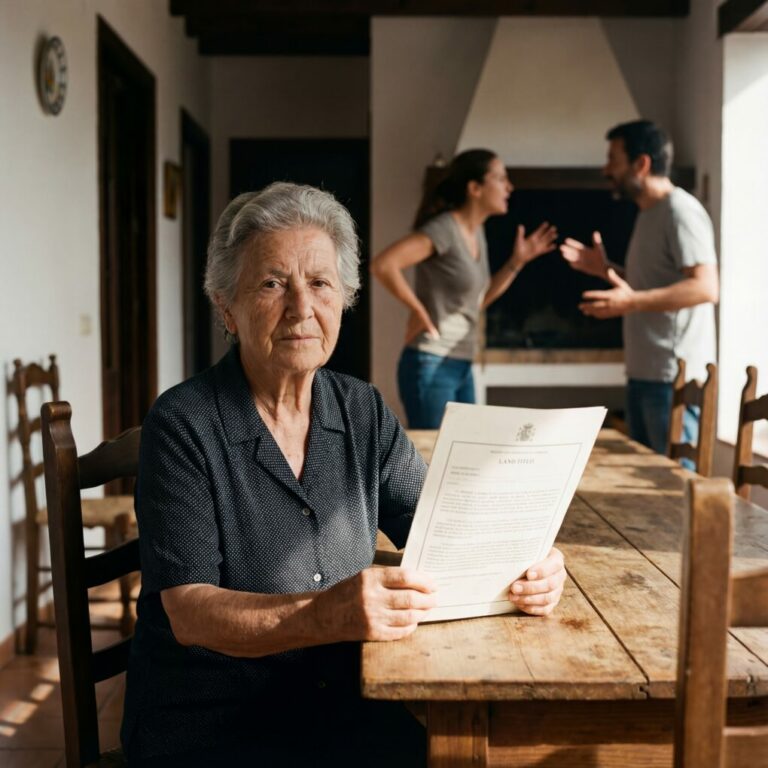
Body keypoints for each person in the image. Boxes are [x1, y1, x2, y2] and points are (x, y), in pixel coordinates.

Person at [121, 182, 567, 767]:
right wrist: (322, 615)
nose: (301, 308)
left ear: (344, 299)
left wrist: (531, 560)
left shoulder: (362, 410)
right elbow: (188, 609)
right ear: (226, 306)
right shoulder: (183, 425)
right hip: (213, 723)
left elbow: (446, 529)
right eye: (273, 283)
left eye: (321, 283)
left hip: (341, 705)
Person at [560, 120, 719, 456]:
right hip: (645, 372)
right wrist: (606, 271)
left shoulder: (680, 211)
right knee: (647, 489)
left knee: (670, 493)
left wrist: (630, 303)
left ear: (641, 164)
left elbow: (705, 287)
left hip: (673, 380)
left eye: (613, 160)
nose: (607, 169)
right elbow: (650, 285)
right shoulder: (648, 214)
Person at [371, 149, 558, 429]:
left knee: (463, 457)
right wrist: (418, 311)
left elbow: (478, 301)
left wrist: (516, 262)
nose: (509, 187)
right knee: (433, 462)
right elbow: (384, 264)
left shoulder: (476, 233)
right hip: (432, 362)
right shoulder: (445, 229)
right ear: (475, 188)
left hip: (460, 363)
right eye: (501, 179)